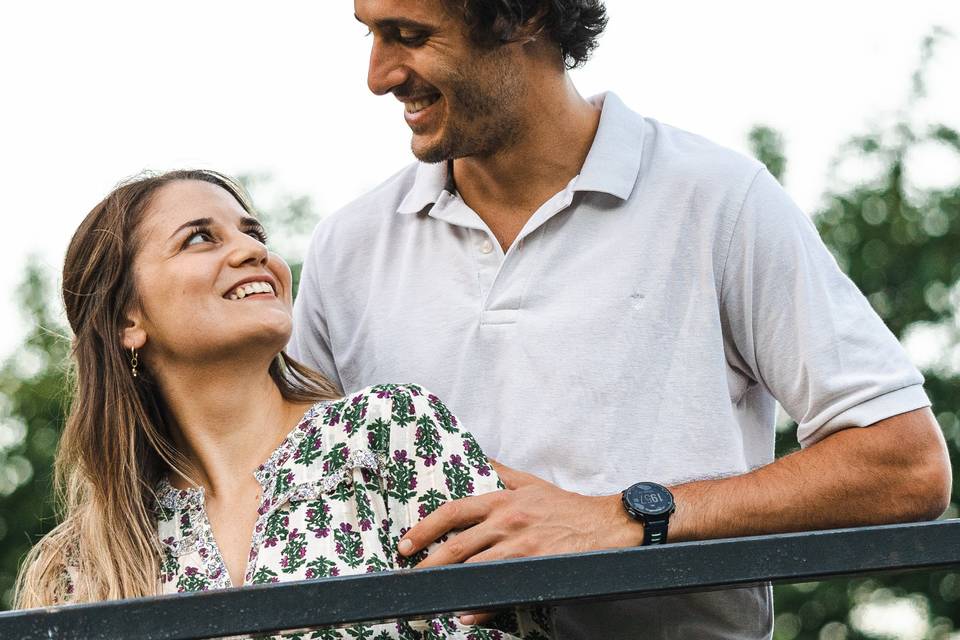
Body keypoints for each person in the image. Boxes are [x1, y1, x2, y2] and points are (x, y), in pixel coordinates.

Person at [288, 1, 953, 638]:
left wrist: (624, 518)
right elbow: (276, 502)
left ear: (525, 15)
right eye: (370, 33)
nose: (378, 76)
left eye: (408, 34)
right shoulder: (346, 249)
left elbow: (906, 465)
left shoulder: (718, 200)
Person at [15, 170, 552, 639]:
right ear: (127, 320)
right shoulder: (81, 565)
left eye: (255, 234)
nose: (254, 251)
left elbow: (499, 630)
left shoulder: (392, 430)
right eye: (200, 238)